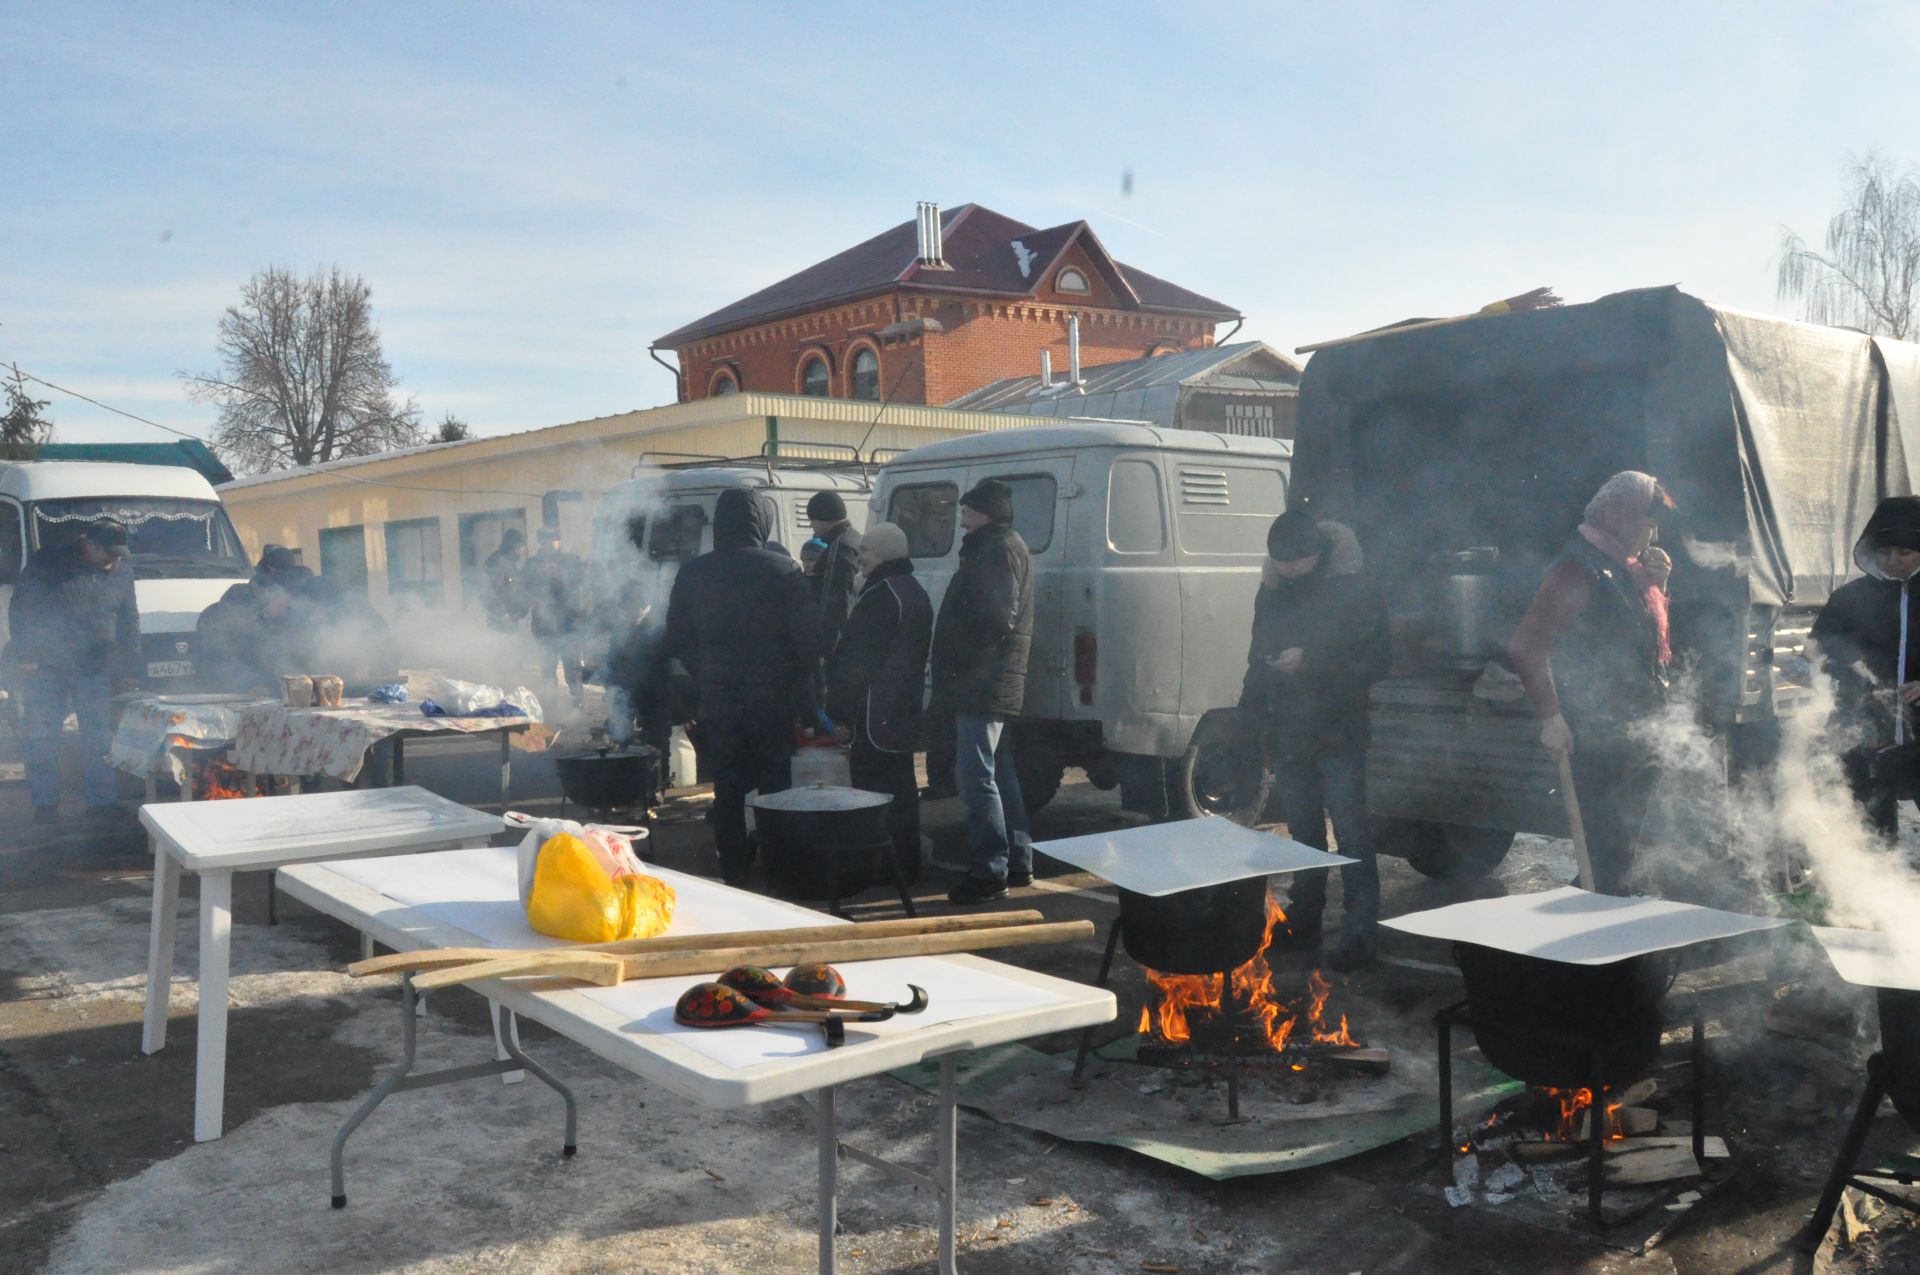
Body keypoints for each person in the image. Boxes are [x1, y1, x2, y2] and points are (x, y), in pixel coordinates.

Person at [1510, 471, 1676, 894]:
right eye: (1647, 520)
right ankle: (1587, 945)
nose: (1653, 533)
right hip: (1599, 735)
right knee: (1607, 851)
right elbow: (1527, 644)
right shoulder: (1577, 569)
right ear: (1619, 516)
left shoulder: (1621, 568)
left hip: (1633, 729)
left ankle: (1607, 931)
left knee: (1627, 850)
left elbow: (1639, 642)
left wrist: (1655, 584)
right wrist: (1552, 717)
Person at [1239, 510, 1391, 968]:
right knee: (1303, 834)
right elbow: (1255, 651)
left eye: (1295, 562)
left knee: (1351, 835)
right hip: (1290, 731)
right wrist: (1250, 716)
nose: (1286, 570)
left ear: (1317, 554)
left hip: (1339, 731)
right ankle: (1304, 921)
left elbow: (1377, 661)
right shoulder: (1273, 591)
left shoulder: (1356, 589)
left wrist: (1311, 663)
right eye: (1279, 562)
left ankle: (1361, 931)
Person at [664, 486, 820, 885]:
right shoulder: (783, 571)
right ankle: (779, 862)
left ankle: (732, 867)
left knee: (728, 786)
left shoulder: (694, 573)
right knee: (774, 785)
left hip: (719, 697)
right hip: (772, 699)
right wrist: (807, 700)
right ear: (760, 522)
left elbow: (677, 637)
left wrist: (704, 672)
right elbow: (806, 643)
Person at [930, 478, 1035, 904]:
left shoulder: (995, 548)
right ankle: (1018, 861)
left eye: (967, 511)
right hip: (991, 682)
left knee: (976, 778)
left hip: (983, 684)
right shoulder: (1000, 544)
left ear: (985, 512)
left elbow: (994, 618)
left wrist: (964, 668)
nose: (961, 518)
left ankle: (990, 870)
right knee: (999, 773)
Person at [8, 520, 140, 820]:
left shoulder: (122, 573)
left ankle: (102, 803)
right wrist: (26, 654)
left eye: (119, 554)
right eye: (109, 553)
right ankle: (45, 803)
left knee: (98, 735)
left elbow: (129, 619)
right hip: (47, 665)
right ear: (90, 545)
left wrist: (131, 666)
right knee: (42, 734)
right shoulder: (48, 563)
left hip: (95, 667)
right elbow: (20, 608)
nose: (114, 560)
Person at [826, 521, 933, 883]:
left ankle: (879, 867)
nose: (860, 559)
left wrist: (838, 711)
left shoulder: (881, 594)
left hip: (874, 711)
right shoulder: (914, 591)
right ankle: (906, 863)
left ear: (884, 553)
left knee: (873, 792)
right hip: (904, 708)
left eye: (866, 552)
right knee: (902, 788)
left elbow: (854, 662)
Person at [1810, 496, 1920, 837]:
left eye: (1903, 553)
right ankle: (1874, 885)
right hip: (1867, 725)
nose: (1893, 561)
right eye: (1885, 553)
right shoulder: (1850, 597)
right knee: (1869, 818)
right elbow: (1820, 646)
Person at [523, 526, 589, 710]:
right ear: (540, 542)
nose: (551, 543)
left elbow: (581, 581)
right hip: (544, 627)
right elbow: (522, 588)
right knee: (547, 669)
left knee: (572, 668)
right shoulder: (532, 564)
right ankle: (550, 704)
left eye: (554, 539)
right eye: (546, 540)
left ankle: (578, 703)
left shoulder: (570, 560)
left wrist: (559, 573)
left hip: (569, 624)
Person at [806, 490, 862, 649]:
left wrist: (826, 644)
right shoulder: (853, 538)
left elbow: (834, 602)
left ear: (825, 518)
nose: (811, 525)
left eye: (813, 519)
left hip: (835, 641)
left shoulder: (838, 550)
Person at [483, 528, 528, 632]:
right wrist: (503, 613)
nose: (522, 552)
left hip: (508, 618)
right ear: (512, 547)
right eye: (520, 547)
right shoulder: (497, 563)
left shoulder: (509, 563)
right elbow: (489, 591)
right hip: (501, 620)